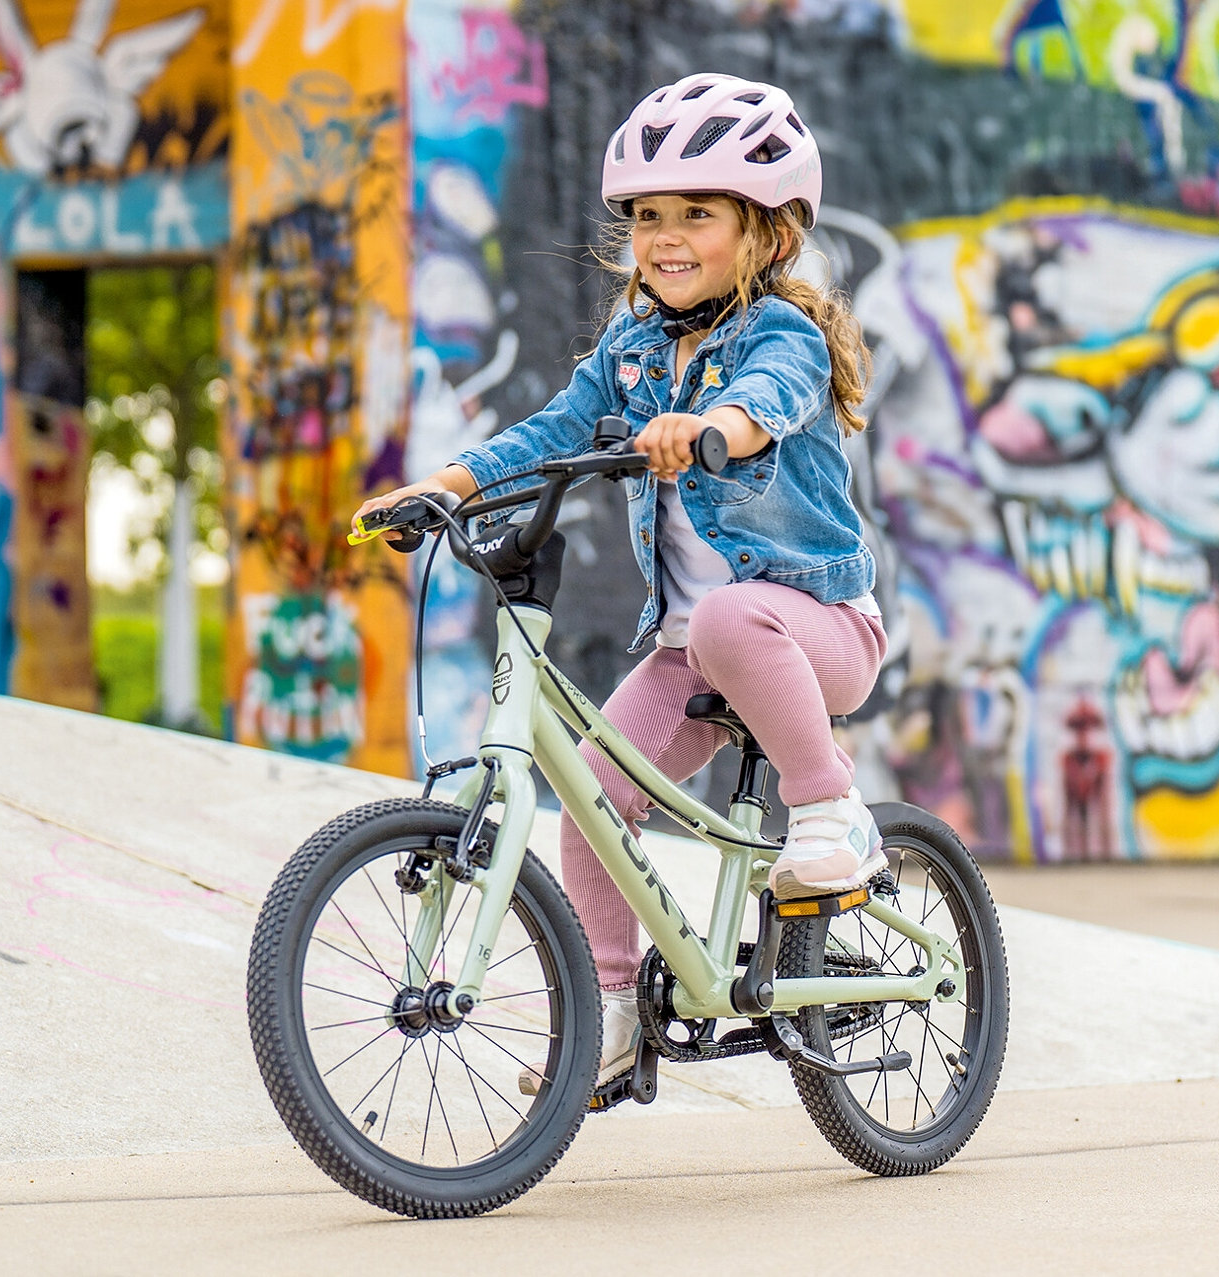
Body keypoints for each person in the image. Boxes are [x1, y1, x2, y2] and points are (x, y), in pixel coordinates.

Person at [352, 72, 889, 1094]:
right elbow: (553, 428)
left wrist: (710, 429)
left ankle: (833, 813)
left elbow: (768, 403)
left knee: (734, 614)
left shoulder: (783, 334)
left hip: (818, 631)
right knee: (591, 795)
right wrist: (447, 483)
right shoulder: (632, 349)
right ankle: (607, 1009)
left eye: (698, 213)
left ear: (770, 234)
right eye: (648, 216)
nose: (665, 235)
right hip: (697, 651)